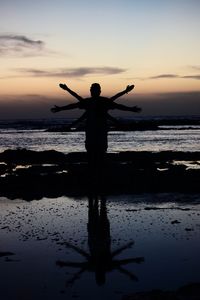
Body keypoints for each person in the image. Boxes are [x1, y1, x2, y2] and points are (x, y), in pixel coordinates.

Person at [51, 83, 141, 168]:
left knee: (97, 153)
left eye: (93, 90)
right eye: (92, 90)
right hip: (95, 131)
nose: (92, 92)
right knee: (95, 153)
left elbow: (76, 103)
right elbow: (75, 104)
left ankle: (96, 171)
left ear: (97, 91)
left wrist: (63, 101)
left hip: (97, 131)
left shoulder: (95, 102)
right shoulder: (99, 102)